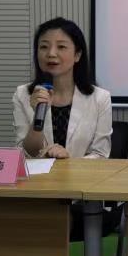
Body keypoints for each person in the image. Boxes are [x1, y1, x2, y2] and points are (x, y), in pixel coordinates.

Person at [13, 17, 112, 159]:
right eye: (44, 47)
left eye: (61, 47)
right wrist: (36, 118)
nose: (51, 54)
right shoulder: (22, 95)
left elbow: (100, 155)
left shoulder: (100, 98)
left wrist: (68, 162)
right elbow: (24, 154)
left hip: (82, 174)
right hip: (38, 174)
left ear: (77, 55)